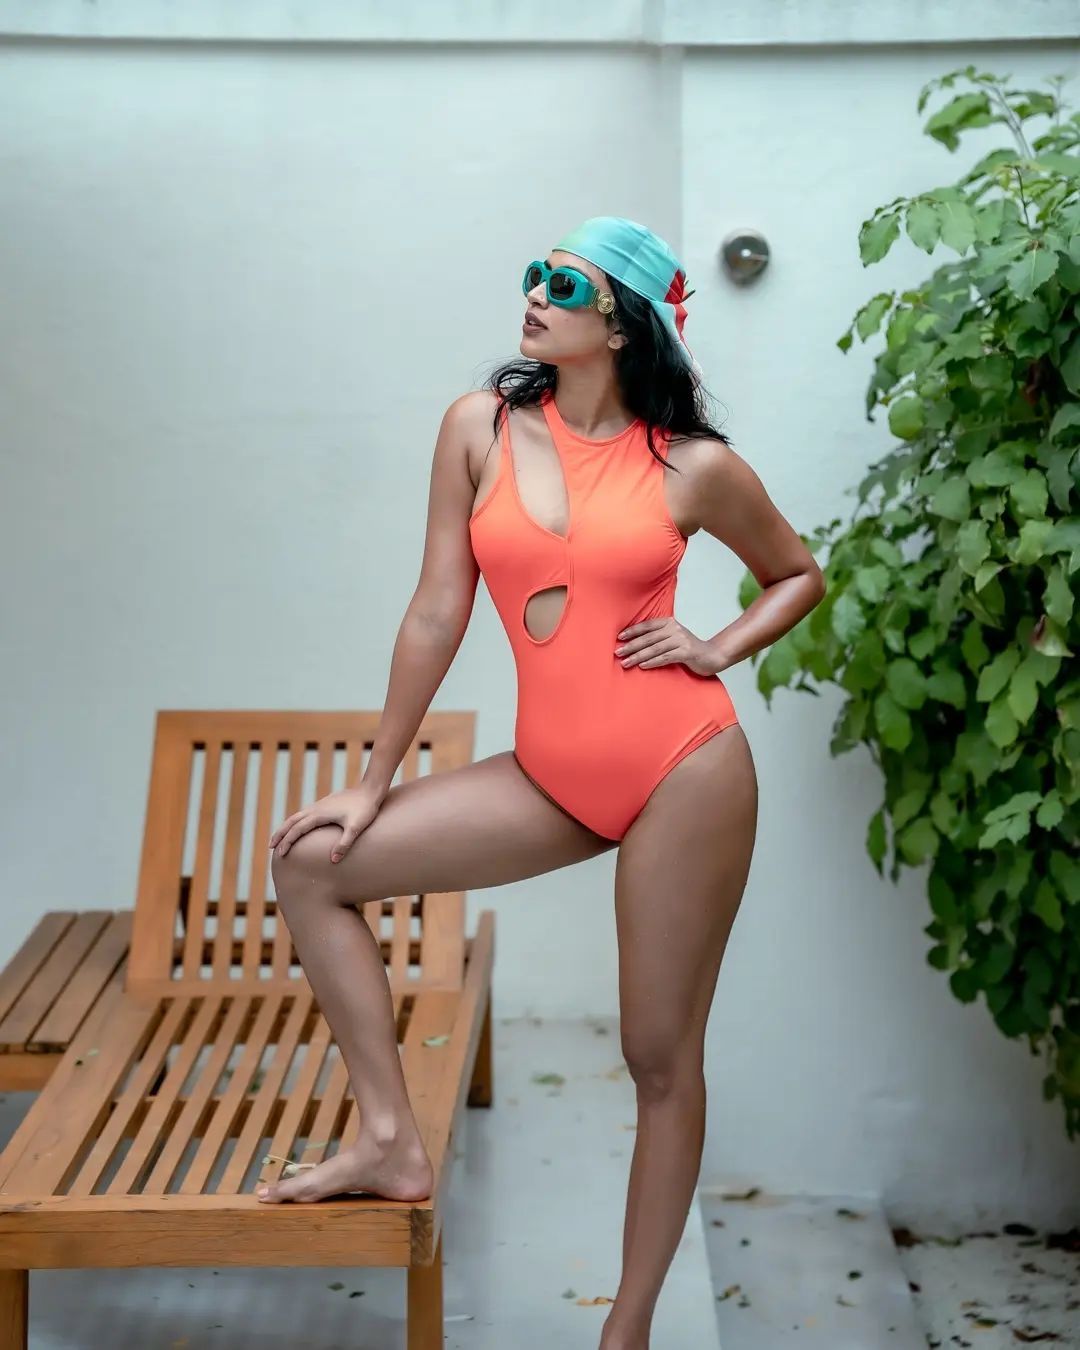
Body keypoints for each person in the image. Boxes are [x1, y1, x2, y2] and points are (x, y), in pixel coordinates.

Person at [257, 216, 826, 1350]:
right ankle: (389, 1142)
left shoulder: (694, 467)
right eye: (533, 275)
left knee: (656, 1058)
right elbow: (437, 609)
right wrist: (373, 782)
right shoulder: (477, 428)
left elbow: (798, 573)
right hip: (553, 774)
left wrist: (715, 647)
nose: (533, 295)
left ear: (620, 324)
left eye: (562, 285)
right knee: (312, 864)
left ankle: (626, 1329)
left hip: (683, 771)